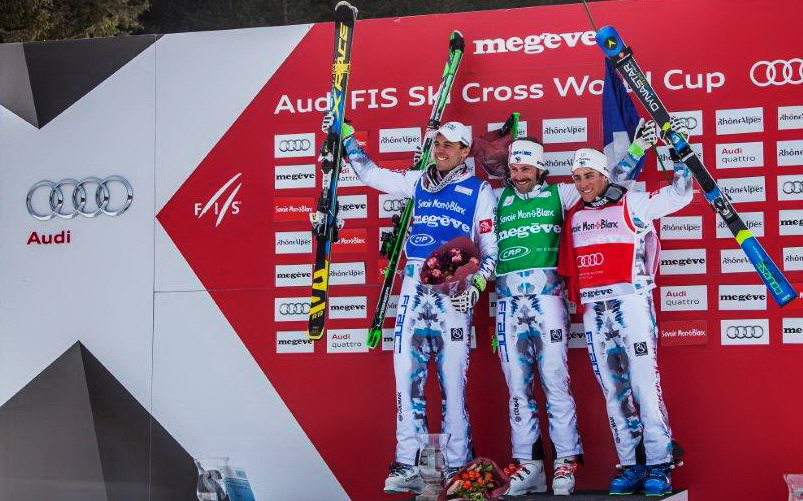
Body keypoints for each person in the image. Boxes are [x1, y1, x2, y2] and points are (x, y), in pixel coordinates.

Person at [332, 119, 498, 494]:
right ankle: (408, 462)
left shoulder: (479, 190)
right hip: (413, 285)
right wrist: (348, 139)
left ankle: (458, 466)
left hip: (453, 292)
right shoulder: (417, 181)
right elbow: (372, 175)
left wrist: (477, 285)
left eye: (451, 145)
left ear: (465, 152)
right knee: (406, 372)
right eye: (438, 142)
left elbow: (491, 249)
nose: (441, 149)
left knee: (452, 379)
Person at [494, 121, 657, 497]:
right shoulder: (495, 198)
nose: (519, 175)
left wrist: (635, 152)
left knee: (554, 380)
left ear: (540, 169)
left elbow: (601, 182)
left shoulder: (562, 193)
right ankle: (528, 463)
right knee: (517, 386)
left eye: (526, 169)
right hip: (506, 301)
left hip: (549, 299)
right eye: (514, 168)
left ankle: (566, 461)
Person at [557, 119, 692, 496]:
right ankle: (632, 464)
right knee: (613, 391)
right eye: (576, 177)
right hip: (595, 310)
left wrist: (681, 152)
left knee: (645, 386)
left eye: (589, 176)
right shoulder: (576, 214)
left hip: (631, 303)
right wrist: (634, 151)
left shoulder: (632, 202)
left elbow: (680, 195)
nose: (582, 183)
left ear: (602, 175)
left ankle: (660, 464)